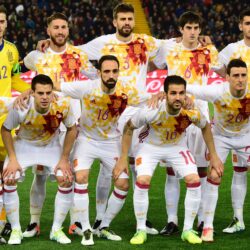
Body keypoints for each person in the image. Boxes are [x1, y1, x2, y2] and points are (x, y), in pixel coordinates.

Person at [54, 55, 152, 246]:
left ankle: (103, 225)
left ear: (118, 72)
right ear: (99, 73)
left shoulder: (127, 90)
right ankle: (86, 228)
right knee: (81, 177)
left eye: (114, 71)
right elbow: (56, 86)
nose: (111, 75)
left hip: (112, 141)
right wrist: (27, 93)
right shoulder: (87, 87)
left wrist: (162, 96)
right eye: (106, 71)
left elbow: (151, 98)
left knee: (123, 184)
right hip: (86, 140)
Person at [113, 75, 223, 245]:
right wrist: (123, 158)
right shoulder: (152, 109)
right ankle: (140, 229)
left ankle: (187, 230)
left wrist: (214, 156)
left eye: (181, 93)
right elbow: (129, 128)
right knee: (142, 180)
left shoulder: (191, 111)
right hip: (150, 148)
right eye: (173, 93)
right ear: (165, 94)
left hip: (177, 147)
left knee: (194, 180)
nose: (178, 97)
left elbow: (205, 127)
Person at [21, 12, 97, 238]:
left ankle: (74, 222)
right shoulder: (36, 55)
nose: (60, 31)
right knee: (41, 171)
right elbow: (22, 68)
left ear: (68, 30)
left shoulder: (78, 55)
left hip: (72, 120)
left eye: (64, 27)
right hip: (45, 122)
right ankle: (34, 223)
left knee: (71, 172)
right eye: (56, 27)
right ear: (48, 30)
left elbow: (95, 78)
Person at [153, 11, 221, 235]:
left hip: (199, 114)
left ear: (200, 30)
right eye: (188, 28)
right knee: (172, 170)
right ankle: (172, 221)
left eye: (196, 28)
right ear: (181, 29)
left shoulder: (208, 51)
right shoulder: (169, 48)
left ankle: (201, 220)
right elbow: (151, 64)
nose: (192, 32)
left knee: (201, 169)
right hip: (173, 117)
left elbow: (223, 70)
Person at [1, 74, 77, 245]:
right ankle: (15, 230)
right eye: (40, 93)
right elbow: (5, 130)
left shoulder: (63, 104)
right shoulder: (21, 106)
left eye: (48, 93)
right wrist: (12, 158)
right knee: (9, 178)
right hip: (24, 145)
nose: (44, 97)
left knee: (66, 179)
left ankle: (56, 230)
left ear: (52, 93)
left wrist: (64, 158)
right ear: (32, 93)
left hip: (50, 146)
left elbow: (72, 129)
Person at [186, 59, 250, 242]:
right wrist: (164, 92)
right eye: (236, 75)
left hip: (246, 137)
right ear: (227, 77)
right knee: (214, 176)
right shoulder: (217, 91)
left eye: (243, 75)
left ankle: (238, 220)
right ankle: (208, 226)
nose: (240, 79)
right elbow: (189, 87)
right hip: (220, 138)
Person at [214, 9, 250, 233]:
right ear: (240, 26)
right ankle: (238, 219)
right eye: (247, 23)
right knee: (239, 170)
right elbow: (217, 71)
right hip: (237, 117)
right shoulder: (231, 50)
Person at [0, 5, 31, 242]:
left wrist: (29, 90)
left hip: (3, 119)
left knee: (6, 176)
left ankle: (4, 224)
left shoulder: (11, 50)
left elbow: (14, 79)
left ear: (6, 24)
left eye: (1, 21)